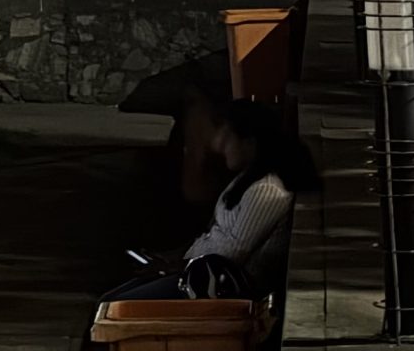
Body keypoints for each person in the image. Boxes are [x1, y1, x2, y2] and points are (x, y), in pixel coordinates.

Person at [96, 99, 317, 312]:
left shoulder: (267, 190)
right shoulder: (246, 179)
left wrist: (172, 267)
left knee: (111, 307)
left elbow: (231, 255)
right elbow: (212, 235)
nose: (220, 146)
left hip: (219, 286)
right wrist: (172, 258)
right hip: (196, 272)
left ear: (249, 143)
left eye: (228, 139)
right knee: (108, 301)